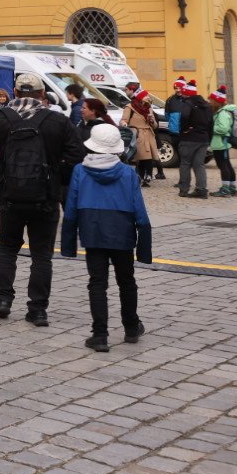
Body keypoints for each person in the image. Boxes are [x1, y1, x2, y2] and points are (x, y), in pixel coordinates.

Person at [0, 72, 86, 326]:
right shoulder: (57, 120)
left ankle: (2, 300)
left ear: (14, 93)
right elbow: (77, 154)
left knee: (7, 248)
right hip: (45, 197)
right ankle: (37, 309)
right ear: (42, 94)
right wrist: (56, 176)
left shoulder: (0, 117)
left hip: (11, 194)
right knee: (41, 255)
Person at [60, 124, 151, 353]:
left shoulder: (80, 170)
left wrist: (68, 243)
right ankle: (131, 327)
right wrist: (145, 244)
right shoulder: (128, 173)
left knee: (97, 283)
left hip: (92, 230)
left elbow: (71, 208)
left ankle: (100, 335)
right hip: (122, 230)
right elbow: (140, 210)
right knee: (126, 281)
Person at [175, 79, 213, 199]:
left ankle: (184, 189)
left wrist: (184, 130)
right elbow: (211, 123)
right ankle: (201, 189)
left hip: (189, 138)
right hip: (203, 139)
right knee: (199, 164)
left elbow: (184, 118)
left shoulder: (187, 103)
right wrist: (209, 137)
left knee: (185, 163)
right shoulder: (206, 105)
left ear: (186, 93)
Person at [123, 89, 160, 188]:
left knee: (148, 157)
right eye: (145, 95)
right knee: (141, 158)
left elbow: (155, 126)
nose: (148, 97)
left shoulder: (148, 108)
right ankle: (141, 176)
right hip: (138, 135)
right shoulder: (130, 107)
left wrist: (152, 120)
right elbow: (124, 120)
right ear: (140, 97)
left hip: (149, 135)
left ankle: (147, 176)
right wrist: (124, 125)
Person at [210, 86, 237, 197]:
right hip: (222, 143)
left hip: (220, 143)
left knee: (223, 165)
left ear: (217, 101)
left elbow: (223, 128)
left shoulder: (222, 113)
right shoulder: (223, 112)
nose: (210, 102)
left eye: (212, 100)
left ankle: (225, 189)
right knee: (227, 164)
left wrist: (211, 128)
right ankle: (232, 188)